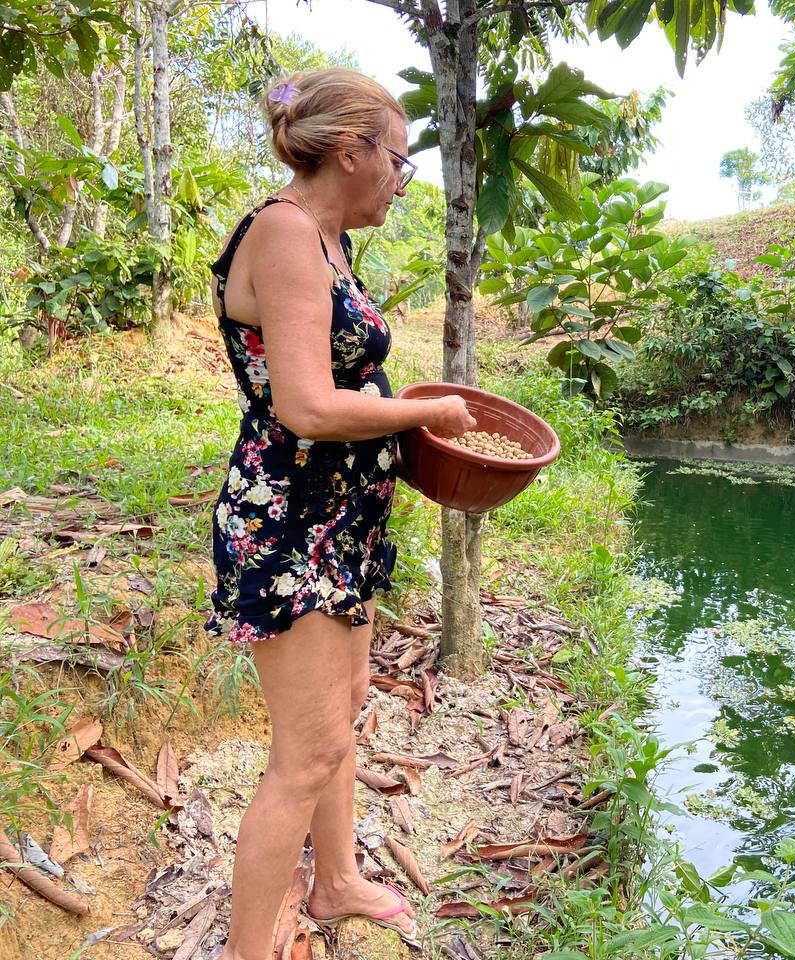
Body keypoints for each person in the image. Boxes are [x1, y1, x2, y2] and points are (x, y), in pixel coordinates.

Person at [205, 68, 474, 959]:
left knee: (346, 706)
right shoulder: (283, 232)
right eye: (397, 160)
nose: (403, 179)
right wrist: (425, 413)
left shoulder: (326, 241)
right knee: (305, 753)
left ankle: (336, 882)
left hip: (340, 518)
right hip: (288, 524)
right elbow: (309, 407)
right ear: (350, 151)